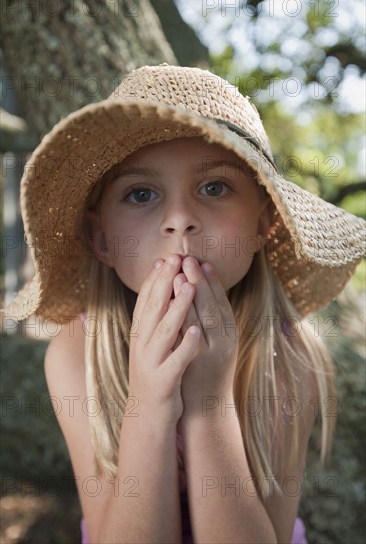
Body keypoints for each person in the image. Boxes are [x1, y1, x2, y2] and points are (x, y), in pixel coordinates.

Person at [3, 64, 365, 544]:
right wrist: (149, 404)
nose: (179, 220)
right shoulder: (77, 353)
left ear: (264, 225)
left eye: (214, 187)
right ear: (101, 239)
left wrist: (209, 402)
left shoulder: (287, 356)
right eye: (141, 194)